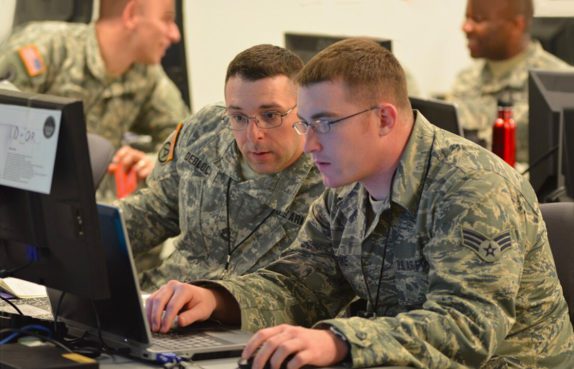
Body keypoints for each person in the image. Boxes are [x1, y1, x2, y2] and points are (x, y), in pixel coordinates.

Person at [146, 38, 574, 369]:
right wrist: (215, 299)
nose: (310, 144)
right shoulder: (346, 189)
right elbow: (300, 284)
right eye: (305, 124)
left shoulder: (471, 187)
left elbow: (467, 326)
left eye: (325, 124)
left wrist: (339, 341)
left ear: (384, 118)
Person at [119, 44, 324, 291]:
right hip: (164, 294)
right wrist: (83, 234)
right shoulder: (206, 130)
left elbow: (313, 295)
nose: (253, 134)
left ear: (303, 110)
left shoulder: (330, 176)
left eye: (270, 115)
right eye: (238, 117)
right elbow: (156, 210)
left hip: (249, 318)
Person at [0, 0, 189, 181]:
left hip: (86, 207)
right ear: (131, 15)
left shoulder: (147, 76)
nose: (175, 34)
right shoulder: (47, 48)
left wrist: (156, 161)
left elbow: (189, 140)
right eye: (166, 20)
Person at [446, 0, 572, 164]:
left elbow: (562, 174)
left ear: (516, 25)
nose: (466, 27)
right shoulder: (465, 79)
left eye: (478, 19)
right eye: (467, 18)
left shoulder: (560, 83)